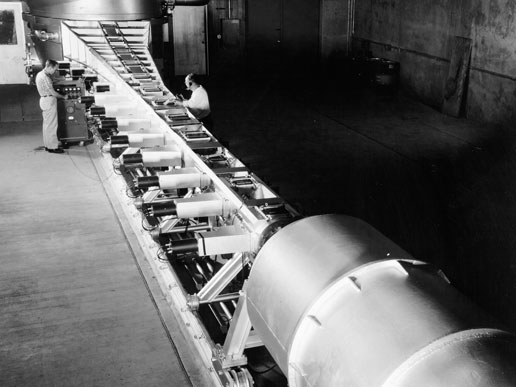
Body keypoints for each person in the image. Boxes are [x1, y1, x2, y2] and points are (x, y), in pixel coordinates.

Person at [35, 59, 67, 153]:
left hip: (44, 100)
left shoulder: (41, 74)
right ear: (49, 67)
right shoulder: (44, 77)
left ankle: (48, 145)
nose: (55, 71)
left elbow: (51, 82)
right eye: (55, 69)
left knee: (47, 125)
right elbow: (53, 92)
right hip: (49, 100)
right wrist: (63, 96)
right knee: (52, 125)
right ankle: (53, 147)